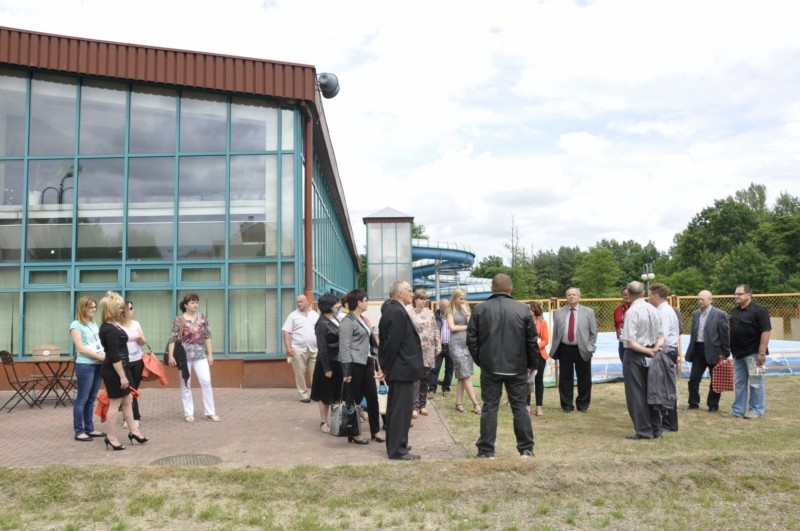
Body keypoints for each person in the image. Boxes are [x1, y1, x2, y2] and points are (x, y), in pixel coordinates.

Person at [467, 274, 538, 458]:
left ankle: (486, 450)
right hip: (517, 367)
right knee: (519, 407)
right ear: (510, 289)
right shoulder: (523, 309)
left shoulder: (480, 309)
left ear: (492, 289)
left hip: (490, 366)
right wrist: (531, 364)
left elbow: (471, 340)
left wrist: (481, 361)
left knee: (490, 407)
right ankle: (526, 449)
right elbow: (531, 340)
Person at [379, 280, 424, 460]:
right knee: (400, 411)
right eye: (409, 291)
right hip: (401, 369)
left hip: (400, 368)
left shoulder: (393, 309)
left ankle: (396, 443)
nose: (412, 294)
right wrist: (385, 368)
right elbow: (391, 344)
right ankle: (398, 449)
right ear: (400, 294)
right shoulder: (396, 311)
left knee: (396, 410)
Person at [98, 291, 148, 450]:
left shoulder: (113, 326)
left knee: (128, 399)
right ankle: (111, 437)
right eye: (120, 307)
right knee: (115, 403)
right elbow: (114, 355)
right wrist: (122, 376)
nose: (122, 310)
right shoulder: (110, 329)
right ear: (113, 309)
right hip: (115, 370)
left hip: (120, 367)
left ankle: (134, 431)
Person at [620, 281, 664, 440]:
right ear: (643, 292)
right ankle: (656, 429)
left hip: (636, 355)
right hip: (652, 354)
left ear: (629, 293)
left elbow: (629, 342)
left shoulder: (632, 312)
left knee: (636, 394)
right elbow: (661, 335)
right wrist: (654, 349)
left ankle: (644, 431)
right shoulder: (654, 309)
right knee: (652, 392)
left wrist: (648, 351)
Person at [339, 289, 384, 444]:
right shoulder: (347, 321)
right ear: (358, 302)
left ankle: (375, 430)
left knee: (372, 397)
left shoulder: (363, 319)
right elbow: (344, 347)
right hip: (354, 364)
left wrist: (376, 363)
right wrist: (347, 370)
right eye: (365, 300)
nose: (367, 303)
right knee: (354, 399)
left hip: (367, 362)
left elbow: (370, 343)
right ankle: (354, 432)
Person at [167, 293, 220, 422]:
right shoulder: (179, 319)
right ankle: (188, 412)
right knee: (186, 383)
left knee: (206, 381)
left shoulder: (202, 318)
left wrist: (210, 354)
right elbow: (172, 338)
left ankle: (210, 411)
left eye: (196, 302)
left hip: (200, 355)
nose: (195, 304)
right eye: (192, 302)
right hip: (184, 356)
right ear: (185, 305)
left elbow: (207, 336)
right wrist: (171, 356)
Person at [550, 287, 597, 413]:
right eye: (569, 295)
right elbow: (556, 332)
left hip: (583, 349)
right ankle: (567, 405)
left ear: (579, 297)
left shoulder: (588, 312)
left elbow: (593, 333)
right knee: (565, 378)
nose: (571, 296)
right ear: (566, 297)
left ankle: (583, 405)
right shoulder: (559, 312)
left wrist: (590, 347)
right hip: (565, 348)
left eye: (574, 294)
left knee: (584, 378)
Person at [730, 284, 771, 418]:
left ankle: (756, 411)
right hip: (738, 354)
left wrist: (761, 353)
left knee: (756, 382)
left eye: (740, 294)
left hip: (754, 354)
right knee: (739, 383)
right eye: (736, 294)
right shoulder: (735, 311)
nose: (736, 296)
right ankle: (738, 411)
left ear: (749, 295)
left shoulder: (760, 310)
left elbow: (766, 331)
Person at [685, 290, 730, 412]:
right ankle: (693, 402)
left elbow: (724, 334)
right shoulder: (696, 314)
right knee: (693, 379)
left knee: (715, 379)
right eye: (698, 299)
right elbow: (693, 333)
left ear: (710, 300)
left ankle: (713, 405)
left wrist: (725, 352)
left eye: (702, 299)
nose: (700, 301)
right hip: (698, 350)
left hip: (714, 351)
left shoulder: (720, 314)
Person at [69, 296, 106, 442]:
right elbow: (81, 348)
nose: (94, 309)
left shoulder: (93, 323)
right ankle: (79, 431)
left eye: (95, 307)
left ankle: (90, 428)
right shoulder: (76, 325)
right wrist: (101, 357)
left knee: (91, 399)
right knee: (82, 399)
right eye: (91, 307)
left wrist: (102, 355)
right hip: (85, 365)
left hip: (97, 364)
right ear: (83, 308)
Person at [648, 283, 679, 431]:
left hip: (666, 352)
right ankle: (666, 421)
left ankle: (670, 423)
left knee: (666, 388)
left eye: (649, 295)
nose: (648, 298)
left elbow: (662, 336)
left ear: (656, 296)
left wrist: (652, 349)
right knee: (664, 387)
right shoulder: (664, 310)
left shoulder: (664, 312)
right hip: (667, 351)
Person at [309, 294, 342, 433]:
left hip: (337, 361)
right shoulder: (322, 323)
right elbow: (322, 348)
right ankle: (324, 422)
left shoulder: (333, 318)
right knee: (325, 394)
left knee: (335, 393)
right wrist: (327, 368)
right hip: (327, 363)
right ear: (328, 306)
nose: (337, 305)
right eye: (335, 303)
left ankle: (336, 420)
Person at [447, 288, 481, 414]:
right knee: (466, 375)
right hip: (456, 345)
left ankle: (458, 403)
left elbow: (472, 325)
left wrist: (467, 313)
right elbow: (452, 327)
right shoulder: (450, 310)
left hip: (467, 344)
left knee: (462, 376)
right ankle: (476, 404)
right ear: (455, 298)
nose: (463, 301)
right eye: (460, 298)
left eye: (464, 298)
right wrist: (467, 327)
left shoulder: (466, 309)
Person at [409, 290, 441, 418]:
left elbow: (435, 329)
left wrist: (438, 344)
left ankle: (423, 405)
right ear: (415, 299)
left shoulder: (430, 313)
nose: (424, 301)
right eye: (421, 298)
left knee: (425, 377)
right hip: (416, 349)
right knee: (415, 378)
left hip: (429, 349)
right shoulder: (410, 313)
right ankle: (414, 406)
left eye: (425, 299)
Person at [281, 294, 319, 403]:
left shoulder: (315, 315)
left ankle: (316, 394)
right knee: (299, 373)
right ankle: (303, 395)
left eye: (301, 302)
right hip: (298, 349)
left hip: (314, 349)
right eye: (297, 302)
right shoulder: (293, 316)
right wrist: (288, 347)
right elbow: (286, 332)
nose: (299, 304)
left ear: (307, 302)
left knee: (316, 373)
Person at [119, 299, 147, 429]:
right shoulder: (117, 325)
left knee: (133, 390)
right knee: (131, 390)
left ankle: (127, 415)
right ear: (123, 310)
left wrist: (140, 339)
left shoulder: (136, 323)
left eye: (132, 308)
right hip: (124, 362)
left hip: (137, 360)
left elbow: (143, 342)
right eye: (130, 308)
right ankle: (134, 417)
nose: (133, 310)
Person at [528, 301, 549, 417]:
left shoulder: (543, 323)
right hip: (526, 355)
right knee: (527, 380)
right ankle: (527, 406)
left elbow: (545, 340)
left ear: (535, 310)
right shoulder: (523, 322)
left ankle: (538, 407)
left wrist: (534, 347)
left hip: (540, 355)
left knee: (538, 381)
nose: (527, 310)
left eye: (530, 308)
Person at [429, 298, 454, 397]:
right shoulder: (435, 317)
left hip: (451, 346)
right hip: (438, 346)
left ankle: (446, 389)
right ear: (440, 307)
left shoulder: (453, 316)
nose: (446, 308)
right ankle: (432, 390)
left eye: (447, 306)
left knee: (449, 369)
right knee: (434, 369)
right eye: (443, 306)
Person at [613, 287, 631, 362]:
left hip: (636, 342)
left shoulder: (637, 308)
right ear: (622, 296)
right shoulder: (617, 310)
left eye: (629, 294)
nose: (627, 296)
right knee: (624, 364)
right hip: (622, 342)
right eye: (625, 295)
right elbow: (616, 324)